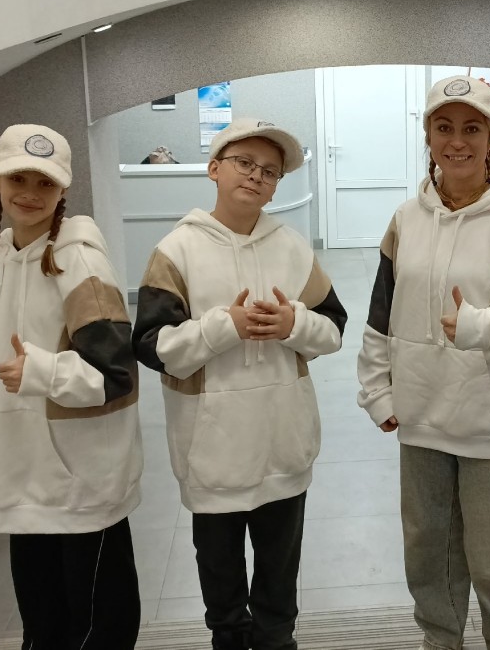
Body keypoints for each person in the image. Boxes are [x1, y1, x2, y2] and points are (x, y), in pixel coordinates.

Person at [357, 75, 490, 650]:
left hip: (489, 425)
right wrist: (377, 390)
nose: (457, 141)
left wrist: (482, 327)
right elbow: (380, 315)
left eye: (472, 128)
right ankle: (440, 641)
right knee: (428, 555)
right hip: (419, 420)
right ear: (428, 136)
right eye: (444, 127)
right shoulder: (406, 219)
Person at [132, 118, 347, 650]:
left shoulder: (293, 248)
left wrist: (294, 324)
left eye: (269, 171)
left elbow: (333, 330)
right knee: (220, 573)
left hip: (283, 445)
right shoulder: (176, 251)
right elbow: (154, 348)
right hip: (212, 453)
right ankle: (228, 638)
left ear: (277, 186)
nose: (256, 176)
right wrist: (223, 326)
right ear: (214, 169)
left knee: (279, 573)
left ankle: (277, 640)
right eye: (244, 163)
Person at [0, 123, 143, 649]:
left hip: (82, 483)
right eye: (18, 178)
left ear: (63, 190)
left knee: (99, 628)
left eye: (45, 182)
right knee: (43, 626)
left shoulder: (80, 260)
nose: (30, 193)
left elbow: (117, 375)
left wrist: (41, 372)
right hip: (23, 478)